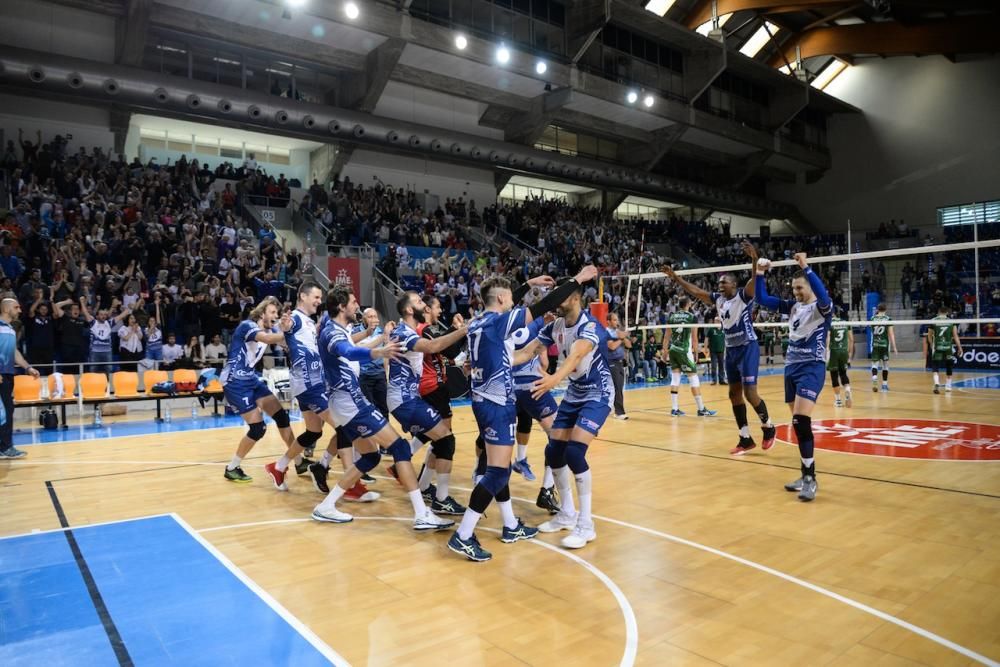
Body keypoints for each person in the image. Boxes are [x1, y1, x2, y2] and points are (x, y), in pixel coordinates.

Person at [448, 269, 594, 562]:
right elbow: (541, 306)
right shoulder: (498, 322)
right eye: (509, 300)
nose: (512, 304)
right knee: (499, 472)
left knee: (496, 467)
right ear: (502, 299)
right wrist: (576, 280)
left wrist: (526, 285)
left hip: (482, 400)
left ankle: (511, 525)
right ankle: (463, 535)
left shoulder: (478, 321)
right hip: (497, 403)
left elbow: (504, 299)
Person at [311, 286, 453, 531]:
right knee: (399, 447)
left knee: (371, 456)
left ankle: (326, 506)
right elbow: (347, 351)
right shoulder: (332, 332)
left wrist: (379, 340)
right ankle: (421, 513)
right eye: (354, 302)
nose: (357, 306)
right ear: (342, 306)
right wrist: (377, 352)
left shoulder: (338, 329)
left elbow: (347, 344)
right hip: (350, 402)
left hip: (347, 401)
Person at [663, 241, 776, 456]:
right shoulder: (717, 299)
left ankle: (769, 427)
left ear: (734, 285)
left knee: (750, 393)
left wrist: (754, 259)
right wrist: (676, 277)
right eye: (719, 282)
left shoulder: (744, 296)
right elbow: (695, 291)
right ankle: (745, 437)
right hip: (731, 350)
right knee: (734, 394)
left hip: (747, 347)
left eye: (724, 282)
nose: (720, 285)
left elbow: (754, 280)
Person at [528, 276, 613, 549]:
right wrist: (498, 359)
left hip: (598, 392)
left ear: (575, 298)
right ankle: (566, 513)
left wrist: (553, 380)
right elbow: (529, 350)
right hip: (576, 392)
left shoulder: (591, 327)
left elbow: (576, 356)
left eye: (560, 297)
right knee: (553, 451)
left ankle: (586, 525)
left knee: (574, 452)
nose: (555, 302)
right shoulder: (555, 326)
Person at [277, 282, 378, 502]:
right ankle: (349, 483)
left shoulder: (313, 322)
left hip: (314, 383)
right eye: (315, 297)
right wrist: (284, 326)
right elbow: (287, 326)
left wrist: (371, 335)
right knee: (346, 426)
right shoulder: (295, 317)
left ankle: (280, 466)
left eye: (320, 297)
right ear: (302, 296)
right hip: (310, 384)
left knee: (314, 432)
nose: (318, 301)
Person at [754, 252, 832, 501]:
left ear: (809, 286)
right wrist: (759, 273)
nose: (796, 292)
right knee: (799, 427)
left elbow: (823, 294)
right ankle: (804, 474)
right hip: (791, 369)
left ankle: (811, 478)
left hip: (812, 367)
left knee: (800, 421)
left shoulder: (822, 308)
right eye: (794, 288)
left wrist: (806, 267)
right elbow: (761, 298)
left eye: (800, 288)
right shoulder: (793, 307)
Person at [391, 292, 468, 515]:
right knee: (445, 439)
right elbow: (435, 347)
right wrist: (463, 329)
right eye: (419, 303)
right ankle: (438, 498)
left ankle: (424, 487)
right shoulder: (406, 332)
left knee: (441, 439)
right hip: (407, 399)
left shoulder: (407, 330)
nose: (424, 306)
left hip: (410, 397)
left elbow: (442, 351)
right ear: (408, 310)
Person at [220, 296, 300, 486]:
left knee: (282, 416)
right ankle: (232, 468)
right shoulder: (247, 326)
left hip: (250, 378)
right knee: (258, 429)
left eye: (276, 314)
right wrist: (288, 332)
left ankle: (299, 460)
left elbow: (284, 342)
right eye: (272, 312)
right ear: (261, 312)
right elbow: (270, 338)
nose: (275, 316)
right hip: (235, 381)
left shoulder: (270, 329)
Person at [662, 296, 716, 417]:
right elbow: (695, 338)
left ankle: (674, 409)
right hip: (684, 351)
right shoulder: (692, 317)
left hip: (673, 350)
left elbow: (666, 337)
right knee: (693, 377)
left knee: (675, 378)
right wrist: (696, 353)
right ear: (689, 304)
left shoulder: (672, 317)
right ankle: (701, 409)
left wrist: (665, 352)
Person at [0, 298, 40, 459]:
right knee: (5, 412)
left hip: (8, 375)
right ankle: (5, 447)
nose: (20, 310)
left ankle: (4, 446)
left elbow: (14, 352)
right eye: (17, 307)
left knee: (7, 411)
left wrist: (28, 367)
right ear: (5, 308)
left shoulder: (9, 329)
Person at [927, 306, 963, 394]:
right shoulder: (951, 321)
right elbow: (955, 336)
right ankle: (948, 386)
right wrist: (959, 347)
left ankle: (936, 382)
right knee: (949, 366)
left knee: (935, 366)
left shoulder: (933, 320)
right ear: (947, 313)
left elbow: (929, 335)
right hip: (948, 347)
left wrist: (932, 345)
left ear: (938, 312)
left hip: (937, 347)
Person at [827, 309, 854, 407]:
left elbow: (828, 338)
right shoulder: (846, 323)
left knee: (834, 376)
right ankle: (847, 389)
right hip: (844, 351)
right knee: (843, 373)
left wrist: (826, 351)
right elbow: (851, 340)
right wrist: (850, 354)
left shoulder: (829, 323)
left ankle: (838, 400)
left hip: (834, 351)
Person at [606, 312, 629, 420]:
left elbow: (629, 345)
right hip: (611, 362)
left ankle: (613, 409)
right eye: (614, 320)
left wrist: (624, 338)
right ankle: (619, 412)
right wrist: (620, 339)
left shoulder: (618, 332)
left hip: (620, 362)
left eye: (617, 319)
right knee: (617, 387)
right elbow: (611, 346)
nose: (617, 322)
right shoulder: (606, 332)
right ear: (609, 321)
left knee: (619, 386)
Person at [870, 303, 897, 392]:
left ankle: (874, 378)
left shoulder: (872, 319)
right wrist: (894, 347)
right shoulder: (888, 319)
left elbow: (872, 332)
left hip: (875, 344)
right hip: (884, 345)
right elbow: (891, 334)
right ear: (885, 310)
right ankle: (884, 385)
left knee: (875, 364)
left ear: (877, 309)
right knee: (885, 365)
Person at [707, 316, 726, 385]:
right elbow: (706, 339)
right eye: (715, 320)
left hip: (721, 350)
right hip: (713, 350)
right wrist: (706, 348)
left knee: (722, 365)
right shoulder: (711, 329)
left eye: (717, 320)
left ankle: (722, 380)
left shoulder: (723, 329)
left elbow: (726, 339)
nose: (716, 321)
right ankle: (714, 380)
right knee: (714, 365)